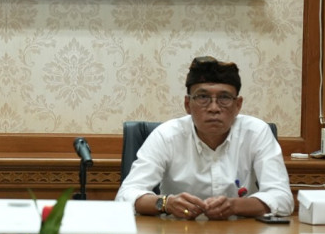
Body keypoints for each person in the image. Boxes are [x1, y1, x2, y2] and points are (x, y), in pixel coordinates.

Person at [115, 56, 293, 220]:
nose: (214, 108)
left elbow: (283, 199)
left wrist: (234, 206)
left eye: (224, 98)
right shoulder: (166, 135)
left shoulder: (256, 133)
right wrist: (166, 203)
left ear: (238, 105)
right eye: (203, 97)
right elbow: (126, 195)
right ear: (187, 104)